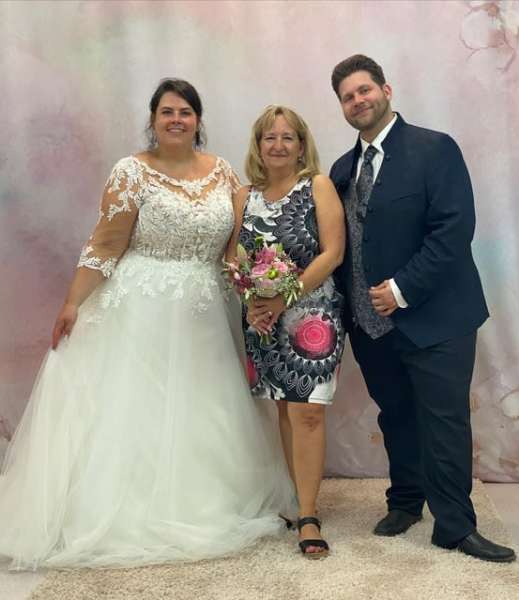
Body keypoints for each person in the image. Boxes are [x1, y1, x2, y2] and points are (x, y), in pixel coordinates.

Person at [0, 79, 295, 570]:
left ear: (198, 120)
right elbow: (105, 243)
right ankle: (129, 511)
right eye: (167, 112)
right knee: (136, 407)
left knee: (203, 404)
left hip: (205, 309)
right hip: (140, 306)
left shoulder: (223, 172)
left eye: (185, 111)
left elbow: (232, 249)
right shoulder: (131, 172)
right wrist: (72, 303)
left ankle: (202, 500)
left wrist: (258, 287)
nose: (176, 119)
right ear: (153, 120)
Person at [329, 54, 516, 563]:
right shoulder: (342, 170)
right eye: (348, 96)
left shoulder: (435, 149)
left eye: (365, 89)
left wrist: (402, 289)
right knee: (396, 416)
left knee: (444, 421)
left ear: (386, 90)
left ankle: (455, 526)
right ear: (342, 107)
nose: (358, 100)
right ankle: (406, 502)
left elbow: (453, 228)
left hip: (438, 318)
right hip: (371, 327)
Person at [227, 105, 345, 559]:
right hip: (262, 319)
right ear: (258, 146)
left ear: (301, 146)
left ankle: (310, 515)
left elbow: (332, 253)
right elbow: (234, 258)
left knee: (308, 411)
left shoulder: (317, 186)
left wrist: (284, 298)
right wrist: (253, 302)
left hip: (312, 316)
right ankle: (298, 499)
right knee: (283, 408)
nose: (278, 145)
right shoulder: (244, 196)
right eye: (269, 137)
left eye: (287, 137)